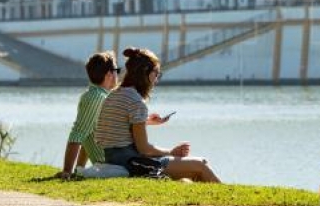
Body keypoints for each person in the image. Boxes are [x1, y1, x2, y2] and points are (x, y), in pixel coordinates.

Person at [96, 47, 221, 182]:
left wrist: (147, 121)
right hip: (132, 163)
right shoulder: (136, 101)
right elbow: (144, 149)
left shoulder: (114, 95)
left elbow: (119, 126)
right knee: (201, 165)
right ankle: (227, 198)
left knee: (195, 170)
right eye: (156, 73)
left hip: (114, 159)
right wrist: (171, 152)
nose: (156, 79)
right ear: (145, 73)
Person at [56, 51, 120, 179]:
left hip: (117, 162)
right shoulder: (95, 98)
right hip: (114, 166)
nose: (118, 75)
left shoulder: (101, 96)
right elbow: (77, 135)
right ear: (109, 74)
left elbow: (86, 136)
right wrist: (67, 172)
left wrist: (79, 170)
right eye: (117, 70)